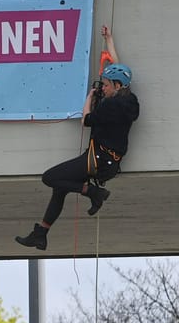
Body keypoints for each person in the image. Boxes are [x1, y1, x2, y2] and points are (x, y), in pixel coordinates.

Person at [16, 26, 139, 251]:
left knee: (50, 177)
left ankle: (94, 192)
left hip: (98, 160)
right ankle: (41, 233)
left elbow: (86, 120)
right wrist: (109, 40)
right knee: (60, 188)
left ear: (117, 86)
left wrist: (90, 97)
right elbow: (118, 69)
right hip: (106, 161)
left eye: (106, 85)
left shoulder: (111, 105)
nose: (104, 87)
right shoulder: (129, 99)